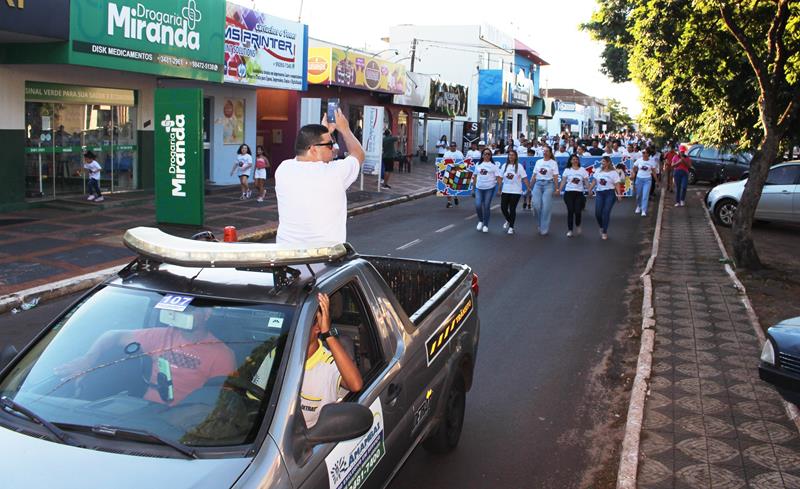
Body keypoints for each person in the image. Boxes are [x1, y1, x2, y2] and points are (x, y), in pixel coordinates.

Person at [55, 305, 236, 406]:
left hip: (181, 422)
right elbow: (113, 335)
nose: (182, 315)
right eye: (180, 310)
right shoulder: (163, 335)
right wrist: (88, 359)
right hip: (142, 411)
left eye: (190, 310)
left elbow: (221, 403)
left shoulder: (221, 355)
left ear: (207, 313)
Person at [275, 109, 365, 245]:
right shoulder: (335, 173)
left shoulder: (283, 169)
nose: (334, 148)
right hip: (325, 257)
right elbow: (359, 154)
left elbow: (302, 156)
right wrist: (345, 129)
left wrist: (324, 134)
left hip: (286, 256)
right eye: (329, 145)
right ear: (313, 149)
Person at [301, 293, 363, 428]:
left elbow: (356, 384)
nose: (294, 332)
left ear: (317, 327)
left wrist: (327, 333)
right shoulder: (277, 355)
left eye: (301, 326)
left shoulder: (329, 363)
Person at [589, 156, 623, 240]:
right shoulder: (598, 171)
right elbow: (594, 181)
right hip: (600, 193)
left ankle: (604, 231)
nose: (602, 163)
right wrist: (589, 189)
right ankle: (601, 226)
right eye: (601, 162)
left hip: (610, 193)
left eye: (603, 162)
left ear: (608, 163)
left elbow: (617, 184)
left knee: (606, 212)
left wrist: (619, 194)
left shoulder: (613, 172)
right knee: (598, 213)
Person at [498, 149, 530, 235]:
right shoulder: (504, 166)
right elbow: (500, 177)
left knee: (512, 209)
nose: (511, 156)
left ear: (515, 157)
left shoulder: (519, 166)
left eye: (512, 155)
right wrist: (499, 188)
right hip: (505, 190)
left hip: (516, 191)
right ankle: (509, 220)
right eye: (509, 155)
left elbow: (524, 178)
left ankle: (511, 227)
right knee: (503, 208)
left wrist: (528, 188)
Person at [531, 147, 560, 236]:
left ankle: (544, 228)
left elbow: (555, 176)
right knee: (536, 205)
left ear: (551, 153)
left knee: (546, 207)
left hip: (549, 184)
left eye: (547, 151)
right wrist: (530, 187)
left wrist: (557, 188)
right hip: (538, 184)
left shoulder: (553, 163)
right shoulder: (538, 162)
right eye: (544, 151)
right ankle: (540, 224)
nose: (545, 152)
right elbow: (534, 175)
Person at [472, 149, 502, 233]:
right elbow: (475, 176)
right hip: (479, 188)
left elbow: (498, 178)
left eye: (489, 154)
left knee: (486, 206)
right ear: (482, 155)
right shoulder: (478, 164)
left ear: (491, 156)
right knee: (478, 205)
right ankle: (480, 221)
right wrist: (473, 189)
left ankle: (485, 225)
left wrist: (499, 189)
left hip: (489, 188)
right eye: (485, 154)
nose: (487, 155)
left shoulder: (493, 165)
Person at [559, 154, 590, 237]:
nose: (575, 161)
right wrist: (559, 189)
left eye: (576, 159)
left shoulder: (582, 170)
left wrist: (589, 190)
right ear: (570, 161)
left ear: (578, 160)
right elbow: (563, 181)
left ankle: (578, 225)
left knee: (577, 211)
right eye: (573, 159)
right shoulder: (567, 170)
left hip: (579, 193)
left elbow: (586, 181)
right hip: (568, 193)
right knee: (570, 210)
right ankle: (570, 230)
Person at [632, 148, 657, 216]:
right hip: (639, 179)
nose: (643, 154)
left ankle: (643, 210)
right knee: (638, 195)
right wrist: (633, 175)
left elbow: (654, 172)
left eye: (645, 153)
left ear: (648, 154)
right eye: (643, 153)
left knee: (645, 195)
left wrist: (657, 181)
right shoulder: (639, 160)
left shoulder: (652, 161)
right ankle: (638, 206)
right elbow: (634, 168)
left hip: (647, 180)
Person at [442, 141, 464, 208]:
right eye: (451, 146)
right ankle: (449, 202)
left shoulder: (459, 153)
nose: (453, 147)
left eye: (454, 146)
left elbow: (462, 162)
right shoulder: (446, 153)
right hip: (448, 171)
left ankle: (455, 197)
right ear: (450, 147)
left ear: (456, 146)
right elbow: (443, 162)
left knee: (455, 186)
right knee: (448, 186)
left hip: (457, 171)